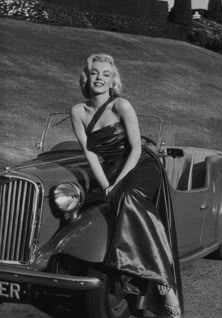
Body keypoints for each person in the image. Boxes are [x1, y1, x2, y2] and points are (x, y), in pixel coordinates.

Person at [71, 53, 183, 317]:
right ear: (86, 77)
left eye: (106, 75)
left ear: (113, 81)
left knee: (128, 196)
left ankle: (164, 282)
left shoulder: (121, 105)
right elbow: (90, 154)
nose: (100, 78)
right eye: (95, 73)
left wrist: (117, 184)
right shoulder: (78, 111)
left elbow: (135, 149)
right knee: (97, 202)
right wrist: (105, 185)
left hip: (140, 165)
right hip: (109, 171)